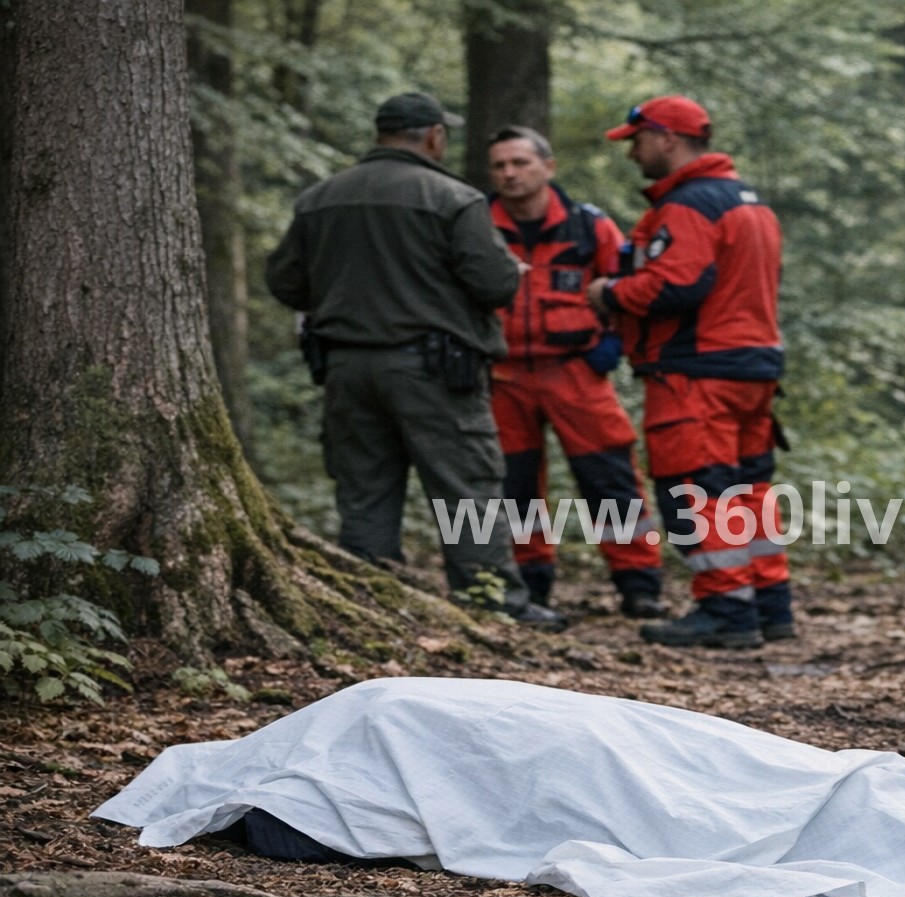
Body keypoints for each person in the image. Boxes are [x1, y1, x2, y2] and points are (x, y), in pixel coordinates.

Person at [95, 677, 905, 897]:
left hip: (623, 750)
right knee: (827, 800)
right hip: (617, 744)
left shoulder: (322, 753)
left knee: (819, 804)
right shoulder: (353, 724)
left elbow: (316, 833)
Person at [265, 93, 563, 630]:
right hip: (435, 370)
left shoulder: (320, 199)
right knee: (465, 487)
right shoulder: (453, 198)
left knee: (364, 487)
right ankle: (490, 605)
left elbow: (284, 281)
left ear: (381, 133)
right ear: (434, 137)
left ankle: (368, 605)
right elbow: (493, 282)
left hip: (347, 368)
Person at [590, 96, 793, 649]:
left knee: (697, 490)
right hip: (753, 369)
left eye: (637, 140)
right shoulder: (750, 202)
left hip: (696, 374)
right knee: (747, 488)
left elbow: (676, 285)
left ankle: (726, 609)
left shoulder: (688, 207)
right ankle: (770, 604)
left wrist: (610, 293)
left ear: (667, 139)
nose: (633, 153)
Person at [484, 126, 667, 618]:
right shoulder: (477, 224)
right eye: (500, 165)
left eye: (520, 163)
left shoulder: (589, 226)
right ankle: (531, 584)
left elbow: (628, 290)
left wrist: (611, 348)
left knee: (609, 477)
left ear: (548, 167)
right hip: (502, 377)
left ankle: (639, 584)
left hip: (576, 371)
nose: (509, 173)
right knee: (512, 485)